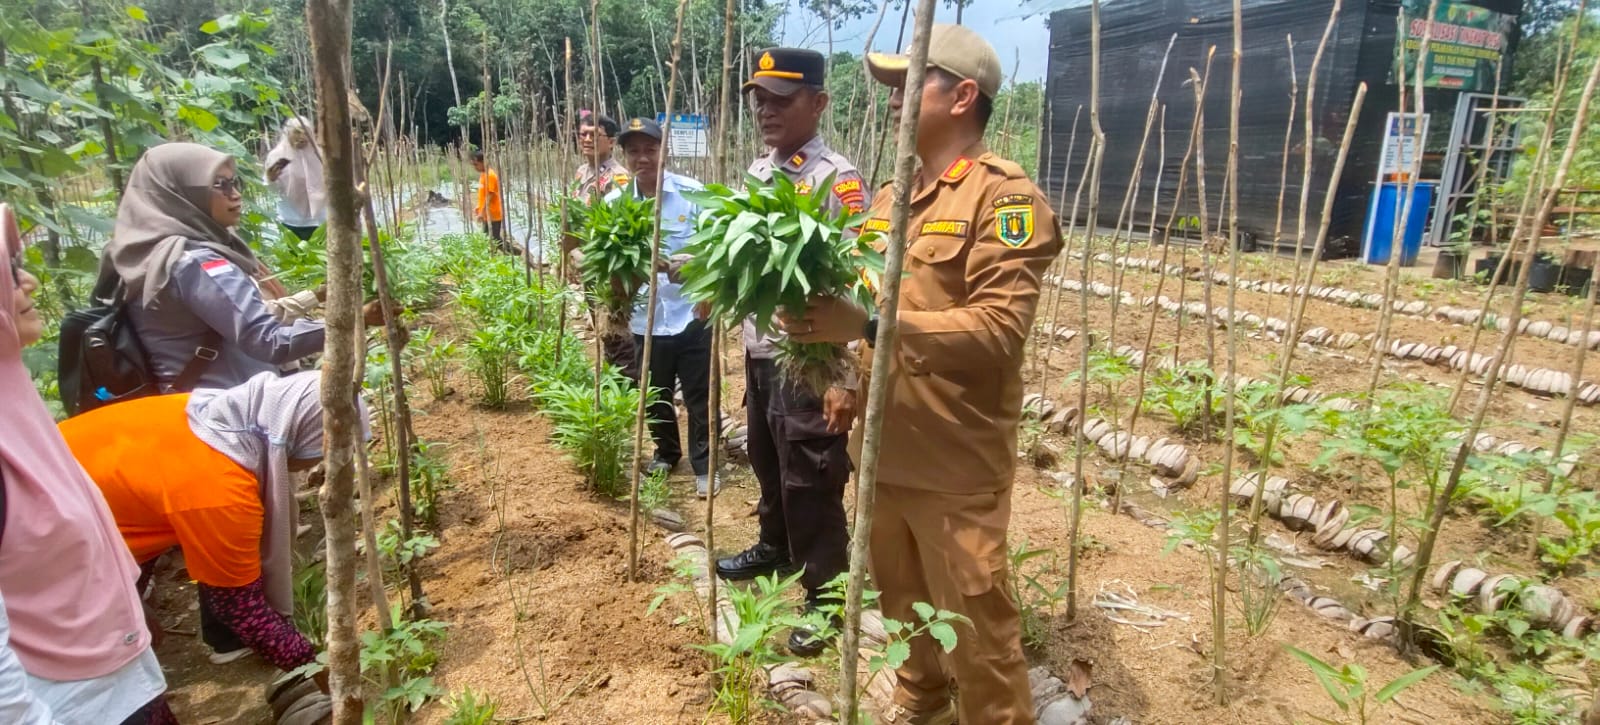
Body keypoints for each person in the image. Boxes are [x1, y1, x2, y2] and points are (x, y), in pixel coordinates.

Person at [780, 25, 1062, 725]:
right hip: (881, 457)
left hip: (953, 467)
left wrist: (872, 329)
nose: (893, 98)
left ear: (962, 95)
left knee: (977, 634)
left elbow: (998, 330)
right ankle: (919, 703)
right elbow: (871, 302)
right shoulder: (888, 199)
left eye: (910, 84)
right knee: (902, 607)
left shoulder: (1007, 199)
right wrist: (847, 375)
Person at [59, 370, 358, 694]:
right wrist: (316, 668)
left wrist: (130, 594)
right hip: (40, 543)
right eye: (323, 453)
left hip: (67, 493)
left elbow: (138, 497)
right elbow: (238, 606)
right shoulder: (223, 492)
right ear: (302, 434)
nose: (319, 465)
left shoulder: (216, 411)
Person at [714, 46, 869, 658]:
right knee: (767, 458)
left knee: (812, 477)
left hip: (812, 360)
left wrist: (844, 374)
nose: (764, 109)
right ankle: (775, 546)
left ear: (819, 102)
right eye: (759, 97)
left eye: (780, 98)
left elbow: (862, 277)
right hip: (763, 354)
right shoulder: (758, 172)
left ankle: (826, 598)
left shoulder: (838, 179)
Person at [0, 203, 172, 724]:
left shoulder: (14, 398)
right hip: (66, 705)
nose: (28, 280)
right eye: (9, 272)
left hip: (112, 673)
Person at [99, 142, 355, 394]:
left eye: (234, 182)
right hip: (220, 412)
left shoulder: (147, 252)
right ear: (179, 192)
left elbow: (246, 318)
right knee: (319, 397)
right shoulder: (193, 262)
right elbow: (268, 340)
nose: (234, 194)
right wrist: (352, 321)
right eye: (219, 185)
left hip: (190, 400)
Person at [608, 118, 718, 498]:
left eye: (650, 149)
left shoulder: (693, 194)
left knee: (699, 392)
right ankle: (666, 453)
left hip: (692, 313)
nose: (643, 157)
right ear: (624, 156)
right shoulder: (615, 205)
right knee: (654, 391)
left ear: (663, 150)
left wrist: (697, 266)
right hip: (646, 316)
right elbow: (607, 267)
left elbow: (717, 247)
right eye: (634, 151)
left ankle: (704, 465)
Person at [265, 117, 326, 241]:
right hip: (291, 218)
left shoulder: (319, 154)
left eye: (306, 132)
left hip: (319, 218)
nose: (302, 136)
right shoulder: (277, 156)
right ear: (288, 133)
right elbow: (272, 190)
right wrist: (271, 179)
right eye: (297, 132)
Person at [573, 113, 630, 198]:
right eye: (583, 134)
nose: (587, 139)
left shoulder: (618, 176)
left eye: (594, 135)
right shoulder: (581, 171)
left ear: (611, 142)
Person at [472, 150, 512, 254]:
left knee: (495, 240)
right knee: (489, 239)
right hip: (486, 213)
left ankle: (516, 253)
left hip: (493, 213)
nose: (475, 167)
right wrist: (479, 207)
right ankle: (492, 257)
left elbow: (490, 195)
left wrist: (481, 212)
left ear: (483, 162)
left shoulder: (490, 175)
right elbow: (483, 194)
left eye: (476, 164)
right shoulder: (483, 175)